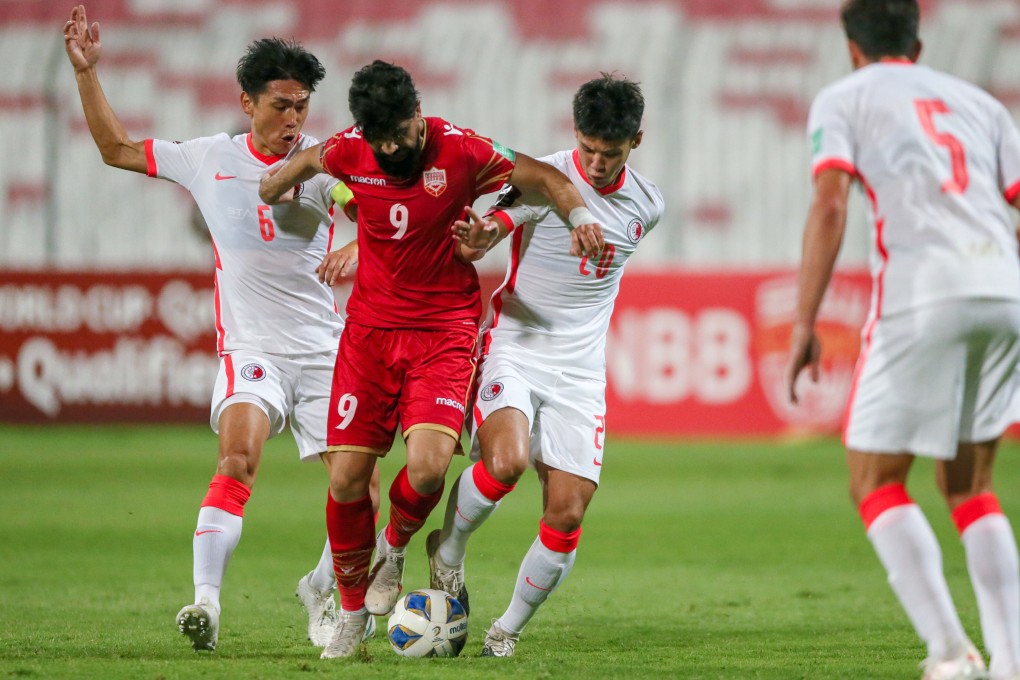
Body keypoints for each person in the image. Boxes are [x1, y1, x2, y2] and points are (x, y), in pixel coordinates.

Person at [259, 59, 606, 659]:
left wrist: (578, 215)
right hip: (368, 334)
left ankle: (392, 550)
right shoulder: (346, 150)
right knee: (345, 479)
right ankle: (347, 614)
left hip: (443, 331)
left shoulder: (463, 150)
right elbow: (282, 179)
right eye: (380, 139)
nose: (391, 147)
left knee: (426, 469)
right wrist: (281, 186)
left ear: (418, 116)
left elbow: (546, 176)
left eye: (399, 133)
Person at [63, 4, 380, 653]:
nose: (293, 118)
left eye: (302, 106)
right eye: (282, 104)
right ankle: (205, 604)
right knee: (238, 458)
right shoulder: (209, 159)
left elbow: (372, 208)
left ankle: (321, 584)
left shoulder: (324, 164)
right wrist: (88, 74)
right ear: (247, 102)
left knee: (363, 488)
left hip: (325, 350)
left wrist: (362, 247)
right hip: (253, 348)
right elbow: (115, 148)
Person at [785, 1, 1020, 678]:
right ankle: (1010, 660)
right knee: (971, 485)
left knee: (874, 477)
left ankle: (951, 653)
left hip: (924, 294)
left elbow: (830, 204)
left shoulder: (845, 97)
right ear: (916, 42)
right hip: (1002, 287)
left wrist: (805, 321)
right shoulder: (979, 102)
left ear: (851, 45)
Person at [421, 73, 663, 657]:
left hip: (580, 372)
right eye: (589, 149)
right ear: (574, 134)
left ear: (636, 141)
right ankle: (447, 550)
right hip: (517, 345)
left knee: (567, 512)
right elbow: (496, 224)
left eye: (611, 153)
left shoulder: (648, 205)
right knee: (506, 462)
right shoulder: (544, 179)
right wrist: (481, 234)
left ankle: (505, 630)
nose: (597, 165)